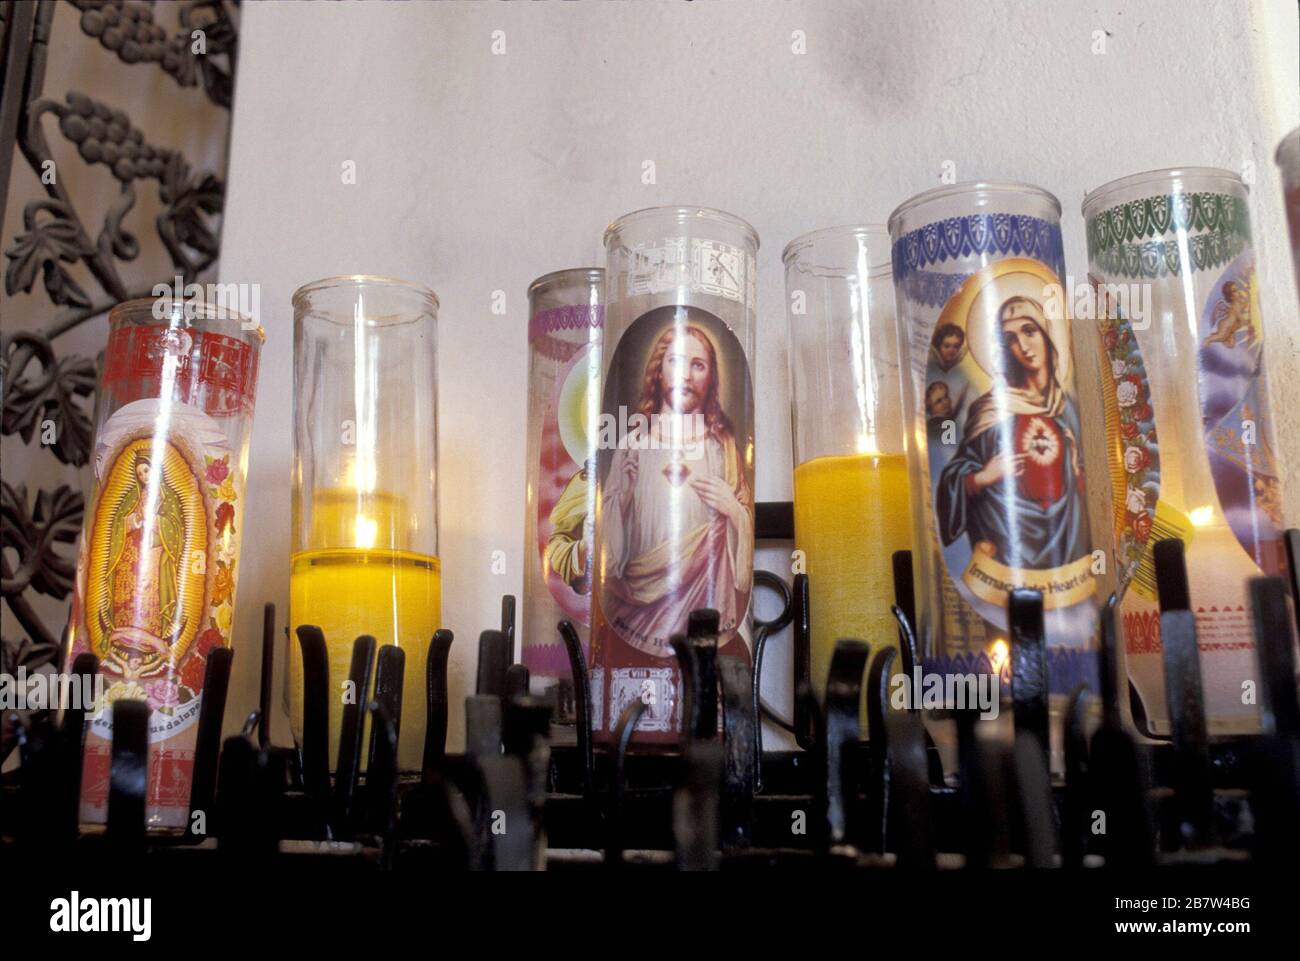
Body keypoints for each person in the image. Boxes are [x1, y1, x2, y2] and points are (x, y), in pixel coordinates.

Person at [600, 317, 752, 654]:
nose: (685, 375)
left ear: (711, 377)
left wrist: (734, 512)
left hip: (705, 610)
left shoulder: (725, 449)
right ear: (659, 369)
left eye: (697, 365)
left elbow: (741, 577)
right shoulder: (632, 444)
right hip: (637, 610)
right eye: (675, 361)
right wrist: (622, 500)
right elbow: (610, 563)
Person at [936, 295, 1088, 570]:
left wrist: (1080, 477)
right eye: (1010, 340)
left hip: (1069, 556)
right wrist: (981, 478)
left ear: (1047, 333)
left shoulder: (1069, 410)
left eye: (1029, 331)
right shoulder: (990, 411)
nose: (1022, 346)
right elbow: (952, 476)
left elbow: (1093, 488)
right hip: (1007, 554)